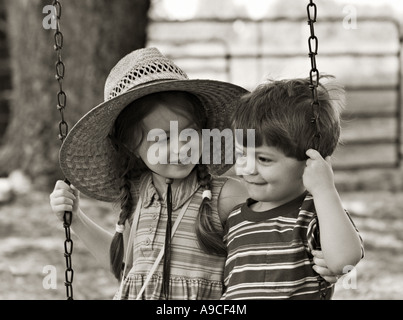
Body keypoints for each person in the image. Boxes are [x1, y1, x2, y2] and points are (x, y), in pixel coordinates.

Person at [50, 47, 337, 300]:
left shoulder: (226, 195)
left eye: (188, 133)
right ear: (131, 146)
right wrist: (77, 220)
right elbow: (125, 271)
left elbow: (282, 235)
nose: (180, 147)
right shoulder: (139, 197)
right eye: (162, 139)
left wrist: (322, 261)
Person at [221, 76, 364, 300]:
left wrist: (325, 190)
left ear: (310, 163)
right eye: (241, 154)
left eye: (264, 159)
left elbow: (343, 260)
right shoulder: (235, 218)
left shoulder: (314, 212)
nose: (247, 168)